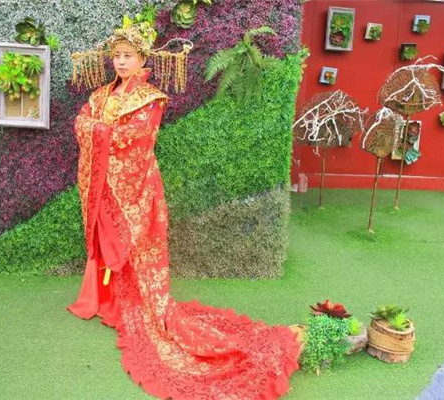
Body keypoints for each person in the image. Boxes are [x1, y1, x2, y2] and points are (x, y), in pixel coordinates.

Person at [68, 21, 302, 400]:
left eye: (128, 56)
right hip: (105, 186)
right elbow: (81, 122)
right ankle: (109, 299)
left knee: (138, 246)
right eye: (117, 56)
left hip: (136, 186)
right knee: (106, 238)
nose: (121, 62)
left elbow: (136, 138)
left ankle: (136, 303)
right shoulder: (101, 94)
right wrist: (97, 127)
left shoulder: (150, 99)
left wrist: (99, 129)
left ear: (142, 58)